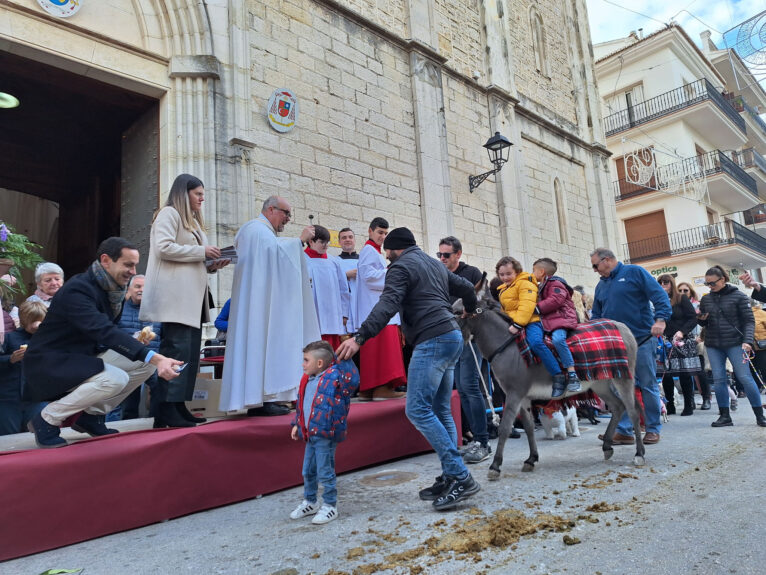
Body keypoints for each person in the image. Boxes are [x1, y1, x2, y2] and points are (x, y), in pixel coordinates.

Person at [337, 227, 481, 511]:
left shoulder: (400, 267)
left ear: (393, 250)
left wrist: (360, 337)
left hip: (432, 340)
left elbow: (387, 304)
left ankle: (461, 476)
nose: (385, 256)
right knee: (440, 410)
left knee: (417, 409)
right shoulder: (431, 263)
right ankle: (451, 473)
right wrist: (470, 310)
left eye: (386, 252)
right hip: (452, 337)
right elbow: (465, 287)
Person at [23, 237, 183, 448]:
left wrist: (143, 352)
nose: (133, 271)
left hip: (81, 359)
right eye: (128, 264)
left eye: (135, 265)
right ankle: (46, 419)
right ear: (106, 260)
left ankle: (92, 417)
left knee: (144, 365)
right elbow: (102, 330)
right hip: (50, 365)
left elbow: (105, 333)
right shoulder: (78, 289)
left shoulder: (111, 291)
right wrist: (157, 357)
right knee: (117, 377)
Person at [141, 174, 229, 428]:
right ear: (183, 193)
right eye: (198, 193)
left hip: (192, 300)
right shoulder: (169, 213)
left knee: (188, 354)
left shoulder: (193, 222)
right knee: (177, 352)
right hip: (175, 298)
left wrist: (213, 264)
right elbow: (163, 247)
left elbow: (193, 260)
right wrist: (202, 252)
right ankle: (166, 409)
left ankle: (178, 406)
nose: (202, 198)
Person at [219, 196, 320, 416]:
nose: (288, 220)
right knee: (258, 345)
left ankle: (263, 398)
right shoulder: (256, 230)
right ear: (271, 209)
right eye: (286, 214)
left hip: (260, 302)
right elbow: (276, 254)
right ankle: (259, 400)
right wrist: (299, 241)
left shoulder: (260, 233)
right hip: (258, 306)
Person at [590, 247, 671, 445]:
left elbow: (659, 296)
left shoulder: (635, 272)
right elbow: (597, 316)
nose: (594, 270)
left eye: (595, 265)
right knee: (619, 389)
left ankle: (652, 429)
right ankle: (625, 430)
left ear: (607, 260)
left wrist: (660, 320)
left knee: (647, 385)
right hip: (615, 345)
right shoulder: (601, 286)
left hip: (641, 340)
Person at [289, 341, 359, 525]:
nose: (303, 364)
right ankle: (310, 502)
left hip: (326, 434)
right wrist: (297, 423)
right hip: (310, 433)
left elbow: (352, 381)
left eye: (306, 360)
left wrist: (344, 359)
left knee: (325, 470)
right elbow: (302, 405)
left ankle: (330, 505)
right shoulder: (306, 380)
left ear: (319, 363)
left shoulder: (335, 377)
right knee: (308, 470)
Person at [437, 236, 490, 464]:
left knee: (469, 386)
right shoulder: (439, 273)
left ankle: (483, 441)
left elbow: (484, 306)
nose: (441, 259)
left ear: (458, 254)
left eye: (446, 255)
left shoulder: (472, 273)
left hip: (470, 337)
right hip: (449, 337)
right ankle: (475, 440)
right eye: (439, 255)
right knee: (461, 388)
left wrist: (470, 312)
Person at [698, 266, 766, 428]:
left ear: (722, 280)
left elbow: (749, 321)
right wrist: (701, 319)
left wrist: (748, 341)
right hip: (714, 344)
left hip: (736, 343)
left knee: (745, 378)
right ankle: (725, 416)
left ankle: (759, 416)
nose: (710, 287)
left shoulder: (739, 296)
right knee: (719, 379)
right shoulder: (706, 299)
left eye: (712, 283)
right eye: (707, 284)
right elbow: (704, 323)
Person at [354, 217, 406, 400]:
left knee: (374, 352)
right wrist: (392, 272)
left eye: (385, 233)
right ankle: (382, 387)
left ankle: (368, 389)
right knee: (383, 350)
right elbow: (369, 276)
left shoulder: (373, 251)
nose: (383, 237)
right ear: (370, 231)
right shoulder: (369, 250)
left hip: (375, 307)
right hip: (378, 309)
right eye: (379, 232)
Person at [530, 257, 581, 397]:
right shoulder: (543, 285)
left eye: (533, 270)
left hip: (561, 319)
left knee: (558, 339)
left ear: (542, 271)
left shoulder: (555, 283)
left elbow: (556, 300)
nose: (532, 273)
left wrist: (537, 308)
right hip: (550, 321)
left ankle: (572, 374)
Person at [115, 275, 162, 420]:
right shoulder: (118, 310)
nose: (141, 290)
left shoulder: (159, 311)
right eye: (137, 286)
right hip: (128, 359)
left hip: (153, 359)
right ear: (129, 289)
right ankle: (129, 424)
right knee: (129, 397)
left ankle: (156, 421)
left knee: (159, 388)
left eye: (145, 287)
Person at [0, 301, 48, 435]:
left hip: (37, 397)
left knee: (38, 436)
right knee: (8, 438)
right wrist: (10, 359)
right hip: (8, 399)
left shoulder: (48, 339)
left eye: (40, 321)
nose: (35, 325)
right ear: (23, 320)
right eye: (32, 321)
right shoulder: (9, 338)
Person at [656, 274, 698, 416]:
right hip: (665, 340)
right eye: (660, 282)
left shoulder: (681, 298)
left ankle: (688, 404)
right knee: (666, 374)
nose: (663, 284)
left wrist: (682, 332)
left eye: (666, 282)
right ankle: (670, 405)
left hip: (682, 339)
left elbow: (693, 318)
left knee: (684, 373)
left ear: (672, 283)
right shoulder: (657, 301)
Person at [304, 225, 350, 350]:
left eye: (327, 242)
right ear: (310, 241)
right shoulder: (301, 259)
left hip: (333, 316)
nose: (326, 246)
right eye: (321, 242)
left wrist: (345, 314)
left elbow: (343, 289)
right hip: (312, 315)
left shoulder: (333, 262)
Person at [678, 281, 711, 409]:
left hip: (697, 341)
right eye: (680, 290)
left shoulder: (697, 305)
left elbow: (704, 323)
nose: (682, 293)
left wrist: (701, 338)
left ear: (690, 291)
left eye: (685, 290)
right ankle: (689, 400)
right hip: (681, 341)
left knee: (700, 371)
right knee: (684, 372)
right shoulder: (676, 306)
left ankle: (706, 399)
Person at [334, 227, 359, 334]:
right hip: (345, 308)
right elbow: (330, 283)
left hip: (361, 304)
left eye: (350, 237)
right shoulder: (334, 261)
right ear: (339, 242)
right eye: (344, 238)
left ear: (354, 240)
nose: (347, 239)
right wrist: (345, 275)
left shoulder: (364, 259)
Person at [750, 299, 766, 392]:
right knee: (752, 368)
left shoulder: (762, 313)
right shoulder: (741, 314)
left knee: (764, 367)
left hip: (761, 346)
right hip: (747, 346)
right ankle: (757, 386)